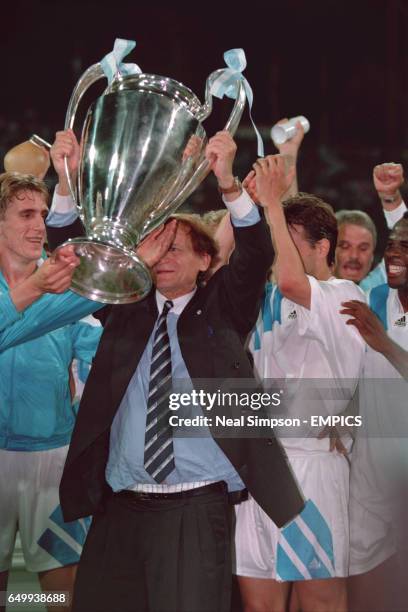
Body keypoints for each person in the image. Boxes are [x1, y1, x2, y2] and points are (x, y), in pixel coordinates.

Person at [48, 130, 304, 612]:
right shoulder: (125, 305)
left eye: (175, 249)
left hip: (195, 505)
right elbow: (70, 261)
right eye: (155, 248)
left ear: (205, 260)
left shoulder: (222, 308)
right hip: (119, 504)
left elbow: (253, 255)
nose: (161, 260)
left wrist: (229, 184)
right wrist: (67, 180)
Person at [235, 156, 366, 612]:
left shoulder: (344, 297)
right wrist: (244, 200)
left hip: (313, 468)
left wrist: (272, 203)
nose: (276, 251)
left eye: (284, 241)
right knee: (260, 604)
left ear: (322, 247)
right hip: (260, 464)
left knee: (320, 603)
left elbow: (292, 280)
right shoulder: (266, 297)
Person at [341, 212, 408, 611]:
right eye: (393, 245)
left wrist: (385, 342)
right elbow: (362, 372)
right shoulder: (374, 298)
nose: (395, 254)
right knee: (362, 584)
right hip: (367, 473)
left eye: (406, 247)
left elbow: (381, 352)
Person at [335, 162, 407, 290]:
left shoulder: (376, 288)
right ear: (326, 250)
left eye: (363, 248)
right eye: (344, 246)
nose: (354, 256)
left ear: (373, 255)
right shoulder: (308, 288)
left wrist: (390, 195)